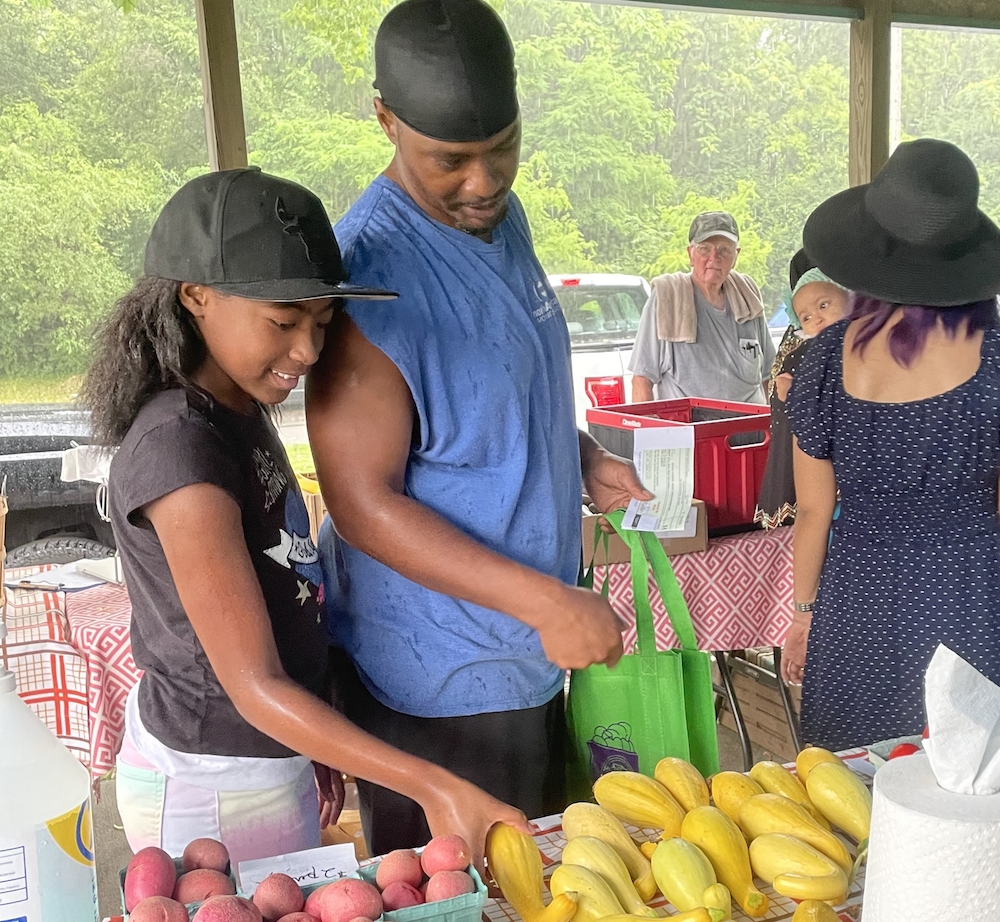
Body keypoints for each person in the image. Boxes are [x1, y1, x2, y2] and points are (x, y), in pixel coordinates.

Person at [81, 168, 529, 872]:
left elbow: (281, 582)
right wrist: (429, 781)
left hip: (267, 761)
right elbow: (253, 684)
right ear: (196, 297)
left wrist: (316, 737)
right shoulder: (180, 448)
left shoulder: (233, 406)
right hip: (212, 788)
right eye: (284, 322)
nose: (308, 352)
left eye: (321, 322)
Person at [307, 0, 650, 855]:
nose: (484, 180)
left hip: (529, 653)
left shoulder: (504, 219)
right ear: (384, 118)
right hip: (439, 683)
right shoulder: (370, 279)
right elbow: (359, 503)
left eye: (503, 147)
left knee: (553, 889)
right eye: (450, 160)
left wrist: (578, 456)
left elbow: (496, 393)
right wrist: (546, 601)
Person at [781, 139, 1000, 750]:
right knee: (963, 795)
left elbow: (814, 513)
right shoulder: (996, 362)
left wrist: (802, 617)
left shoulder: (825, 359)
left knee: (850, 800)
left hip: (857, 606)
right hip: (968, 602)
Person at [630, 212, 775, 404]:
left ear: (736, 256)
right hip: (689, 430)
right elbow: (641, 380)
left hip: (752, 429)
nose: (714, 257)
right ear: (690, 254)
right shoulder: (667, 297)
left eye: (724, 249)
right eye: (705, 248)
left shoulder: (747, 296)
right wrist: (648, 433)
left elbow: (770, 376)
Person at [754, 251, 849, 530]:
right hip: (817, 475)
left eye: (824, 305)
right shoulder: (817, 345)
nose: (816, 319)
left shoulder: (853, 344)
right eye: (806, 316)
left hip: (821, 476)